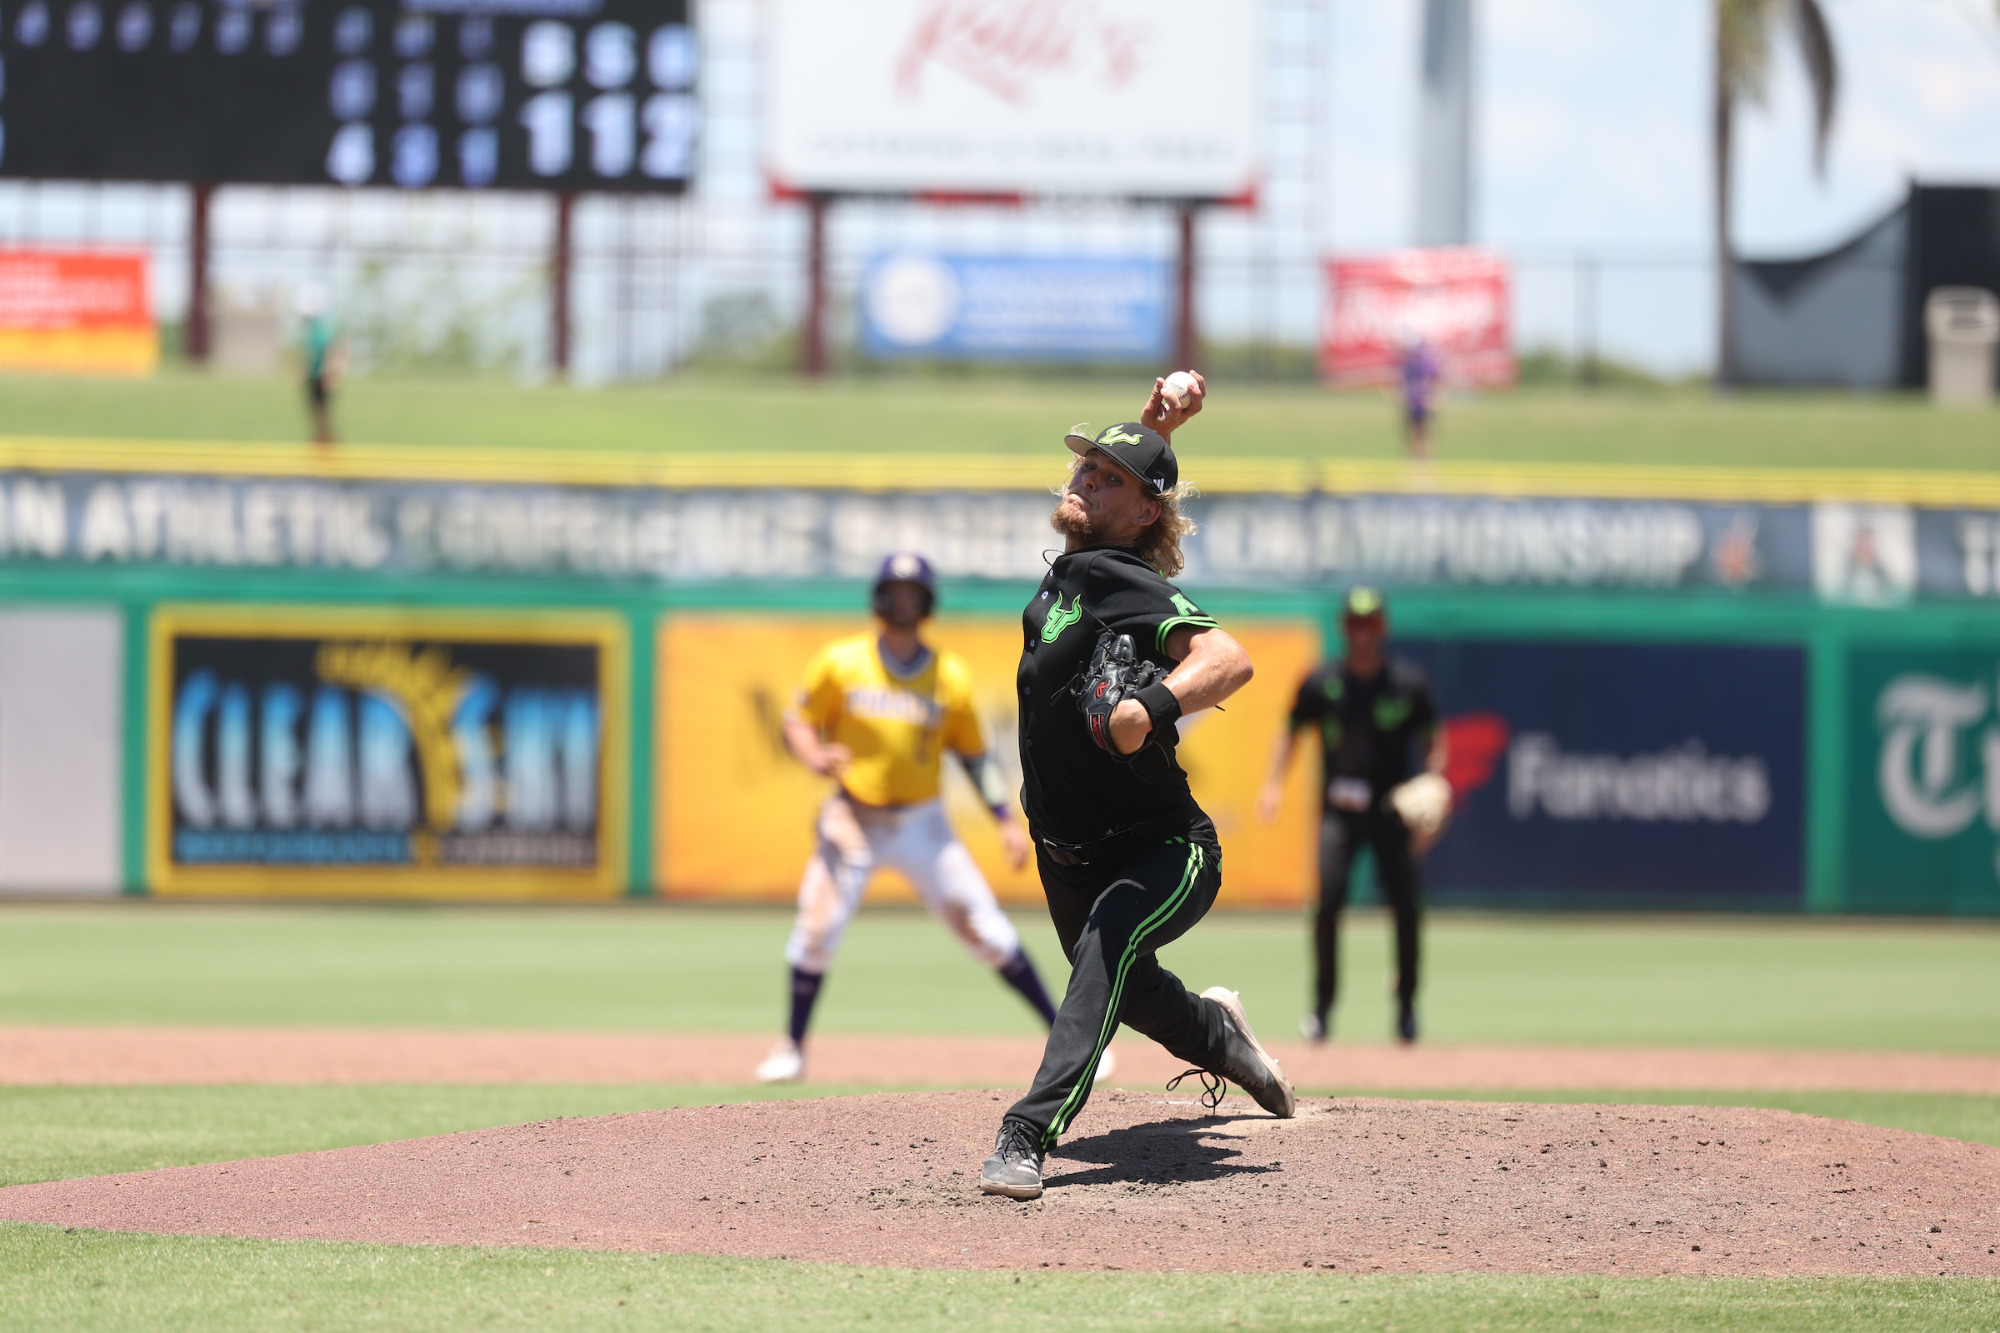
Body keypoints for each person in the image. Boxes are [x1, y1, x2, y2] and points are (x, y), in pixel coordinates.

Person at [979, 373, 1295, 1203]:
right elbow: (1140, 500)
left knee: (1107, 948)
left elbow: (1229, 660)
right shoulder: (1076, 572)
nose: (1083, 480)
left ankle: (1027, 1131)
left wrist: (1147, 709)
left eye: (1105, 477)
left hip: (1164, 849)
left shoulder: (1117, 578)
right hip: (1066, 856)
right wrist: (1150, 434)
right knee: (1132, 989)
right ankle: (1221, 1036)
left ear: (1141, 510)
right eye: (1084, 468)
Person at [754, 552, 1066, 1085]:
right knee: (817, 928)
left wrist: (1004, 821)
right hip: (853, 816)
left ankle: (1066, 1041)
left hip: (924, 823)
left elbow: (973, 756)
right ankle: (793, 1048)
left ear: (927, 603)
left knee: (986, 929)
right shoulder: (841, 661)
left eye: (912, 594)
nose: (902, 602)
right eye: (893, 592)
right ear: (878, 599)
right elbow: (798, 722)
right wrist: (812, 756)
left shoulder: (949, 675)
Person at [1256, 586, 1444, 1046]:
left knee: (1406, 908)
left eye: (1372, 624)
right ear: (1344, 629)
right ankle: (1321, 1009)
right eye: (1356, 624)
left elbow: (1434, 740)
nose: (1364, 633)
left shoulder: (1407, 684)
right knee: (1328, 906)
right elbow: (1291, 729)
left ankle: (1406, 1010)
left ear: (1382, 629)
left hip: (1391, 812)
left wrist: (1437, 784)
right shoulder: (1323, 682)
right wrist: (1273, 784)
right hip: (1339, 812)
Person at [297, 284, 346, 447]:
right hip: (314, 375)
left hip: (321, 376)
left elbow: (331, 351)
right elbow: (309, 354)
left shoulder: (322, 329)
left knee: (322, 411)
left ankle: (325, 442)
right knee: (315, 410)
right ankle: (319, 440)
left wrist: (330, 374)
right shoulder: (311, 329)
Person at [1399, 337, 1440, 459]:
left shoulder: (1414, 364)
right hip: (1417, 401)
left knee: (1422, 429)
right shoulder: (1412, 364)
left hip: (1419, 401)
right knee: (1419, 429)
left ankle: (1422, 455)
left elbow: (1433, 381)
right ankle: (1420, 455)